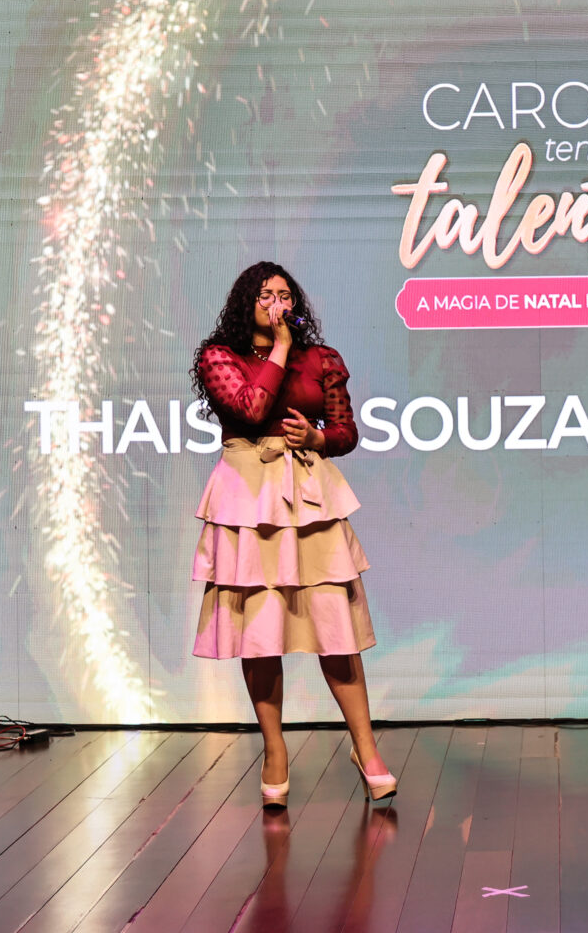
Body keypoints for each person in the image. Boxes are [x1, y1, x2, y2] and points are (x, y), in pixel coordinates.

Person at [190, 261, 396, 807]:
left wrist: (318, 439)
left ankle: (366, 748)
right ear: (246, 303)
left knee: (335, 626)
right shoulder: (220, 357)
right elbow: (251, 407)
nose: (278, 303)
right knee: (260, 629)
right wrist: (280, 349)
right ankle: (275, 750)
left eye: (285, 295)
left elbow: (346, 431)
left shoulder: (322, 359)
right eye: (266, 295)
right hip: (249, 499)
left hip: (309, 496)